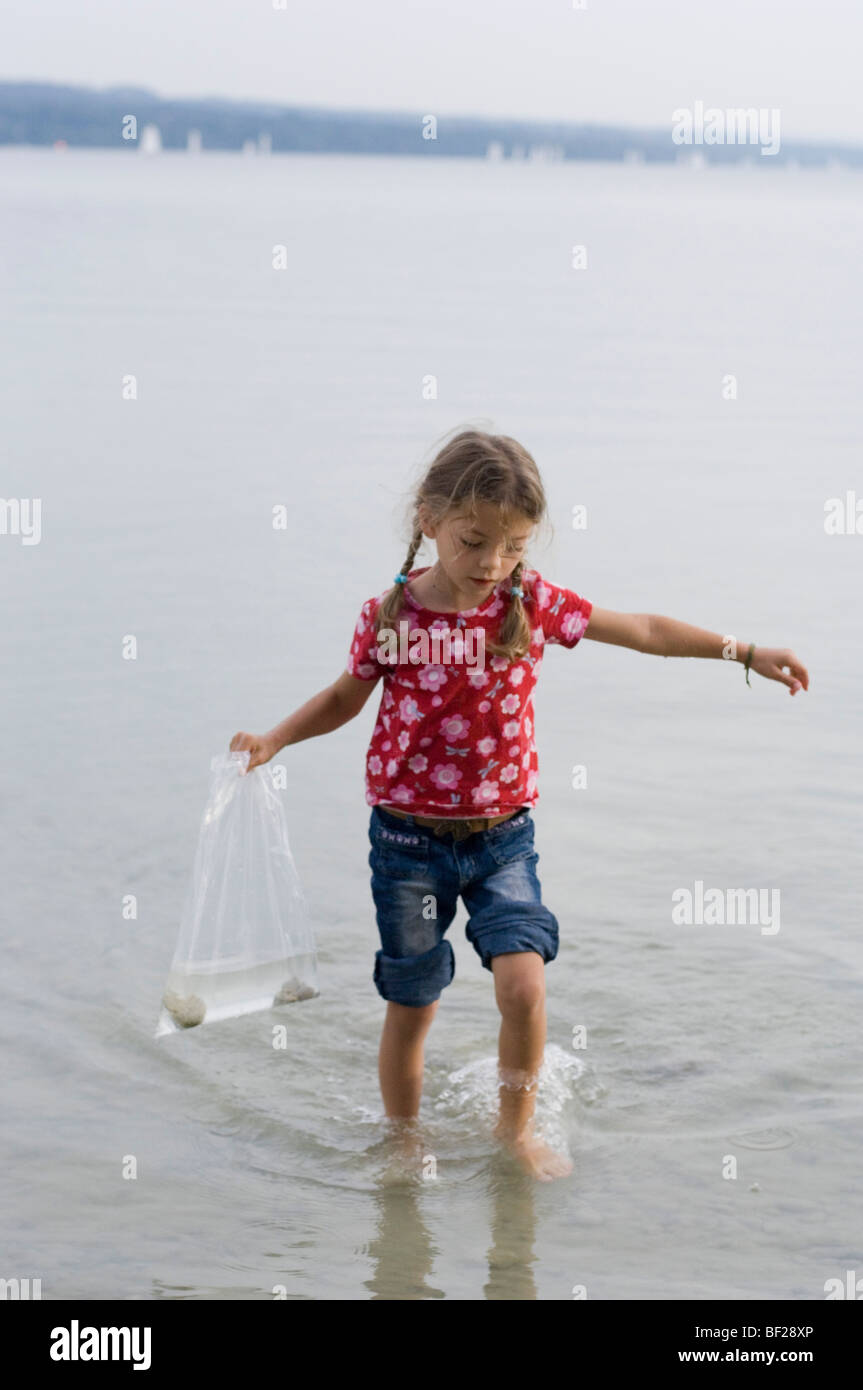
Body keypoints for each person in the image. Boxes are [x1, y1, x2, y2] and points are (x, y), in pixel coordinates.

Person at [230, 428, 809, 1181]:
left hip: (502, 838)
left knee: (525, 985)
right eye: (473, 542)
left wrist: (743, 650)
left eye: (512, 547)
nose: (490, 565)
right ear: (427, 518)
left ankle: (517, 1133)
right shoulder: (392, 616)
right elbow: (346, 696)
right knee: (413, 1005)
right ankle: (404, 1138)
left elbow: (642, 631)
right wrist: (275, 739)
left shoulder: (530, 603)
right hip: (406, 843)